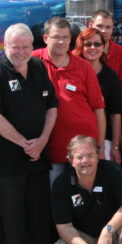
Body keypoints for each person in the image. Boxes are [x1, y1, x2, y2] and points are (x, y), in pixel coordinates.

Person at [0, 23, 58, 244]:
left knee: (40, 216)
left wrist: (43, 140)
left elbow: (52, 107)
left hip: (38, 158)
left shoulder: (38, 67)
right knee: (14, 221)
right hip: (8, 164)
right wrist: (25, 144)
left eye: (26, 47)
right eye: (16, 47)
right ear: (5, 46)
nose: (21, 52)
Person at [32, 16, 106, 181]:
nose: (61, 42)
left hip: (84, 151)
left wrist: (100, 148)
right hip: (52, 150)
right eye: (56, 37)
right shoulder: (33, 62)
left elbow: (99, 109)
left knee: (86, 192)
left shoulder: (84, 67)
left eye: (65, 37)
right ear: (45, 38)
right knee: (56, 192)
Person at [73, 27, 122, 163]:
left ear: (103, 46)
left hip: (103, 140)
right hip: (74, 138)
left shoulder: (110, 76)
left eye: (97, 44)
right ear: (80, 46)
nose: (92, 48)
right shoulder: (72, 71)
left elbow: (115, 113)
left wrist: (115, 147)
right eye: (88, 44)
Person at [90, 11, 122, 150]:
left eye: (108, 27)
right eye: (99, 26)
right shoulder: (79, 54)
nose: (104, 31)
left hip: (111, 126)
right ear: (90, 25)